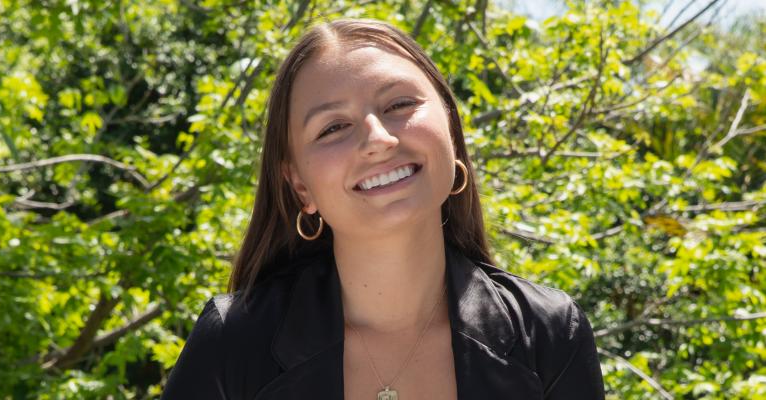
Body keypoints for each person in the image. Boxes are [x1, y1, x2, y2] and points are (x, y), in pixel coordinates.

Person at [162, 18, 605, 400]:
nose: (378, 139)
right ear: (300, 185)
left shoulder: (548, 334)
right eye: (333, 127)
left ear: (451, 129)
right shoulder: (233, 343)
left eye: (399, 104)